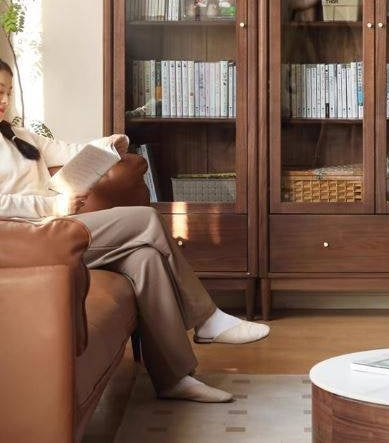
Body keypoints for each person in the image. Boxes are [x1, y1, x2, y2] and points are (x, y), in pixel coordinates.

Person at [0, 59, 269, 403]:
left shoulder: (20, 136)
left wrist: (111, 145)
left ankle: (174, 379)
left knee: (145, 259)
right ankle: (207, 319)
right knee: (144, 219)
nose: (5, 101)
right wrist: (51, 207)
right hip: (29, 240)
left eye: (9, 92)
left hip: (57, 229)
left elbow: (72, 151)